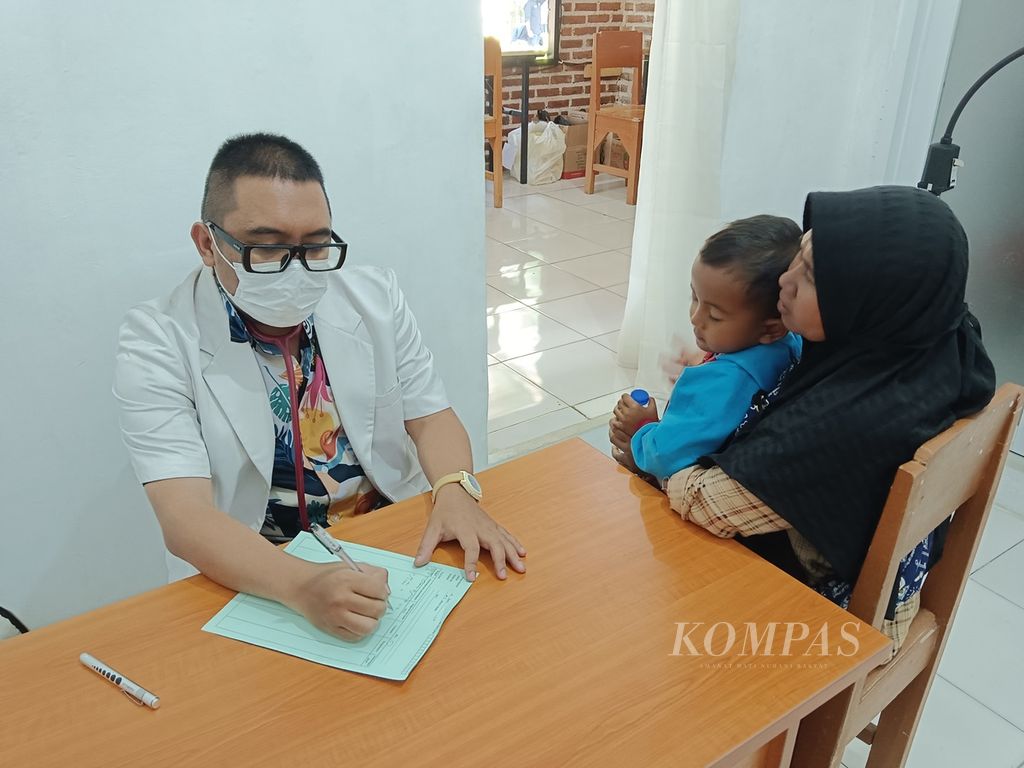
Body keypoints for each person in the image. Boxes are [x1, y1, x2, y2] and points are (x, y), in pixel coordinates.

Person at [114, 133, 526, 641]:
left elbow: (430, 414)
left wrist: (457, 490)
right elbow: (184, 516)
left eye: (315, 245)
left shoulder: (373, 297)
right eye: (267, 247)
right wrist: (301, 585)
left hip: (390, 539)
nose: (297, 268)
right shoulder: (157, 339)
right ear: (206, 243)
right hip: (257, 568)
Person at [611, 186, 995, 654]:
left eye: (811, 276)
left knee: (624, 582)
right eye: (800, 255)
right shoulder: (930, 344)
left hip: (830, 628)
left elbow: (706, 503)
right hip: (887, 586)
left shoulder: (846, 422)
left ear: (861, 296)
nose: (784, 282)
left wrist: (644, 444)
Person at [610, 215, 802, 482]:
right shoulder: (791, 342)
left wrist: (642, 429)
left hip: (696, 479)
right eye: (695, 297)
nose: (695, 318)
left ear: (770, 328)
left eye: (715, 315)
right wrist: (711, 363)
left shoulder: (722, 383)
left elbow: (665, 456)